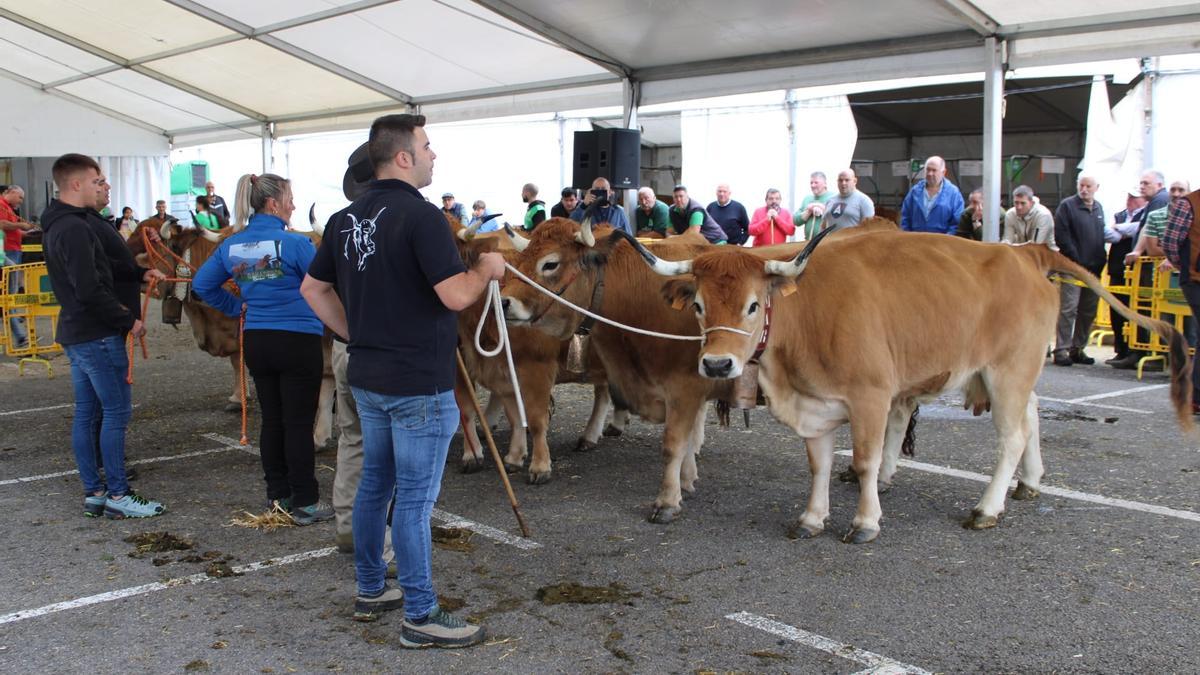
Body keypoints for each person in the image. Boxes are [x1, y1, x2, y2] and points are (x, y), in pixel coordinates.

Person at [301, 113, 503, 647]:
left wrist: (357, 333)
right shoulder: (422, 216)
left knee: (375, 487)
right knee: (412, 501)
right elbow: (456, 296)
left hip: (369, 374)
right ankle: (421, 613)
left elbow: (312, 291)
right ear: (404, 157)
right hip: (417, 381)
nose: (435, 155)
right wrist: (486, 270)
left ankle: (372, 589)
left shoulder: (344, 219)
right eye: (428, 146)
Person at [193, 173, 334, 525]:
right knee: (299, 422)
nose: (294, 205)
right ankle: (305, 501)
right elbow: (324, 285)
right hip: (297, 339)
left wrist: (235, 307)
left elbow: (201, 285)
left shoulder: (232, 245)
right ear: (273, 203)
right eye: (289, 198)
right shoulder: (296, 245)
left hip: (257, 339)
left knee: (272, 420)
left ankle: (278, 496)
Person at [42, 153, 166, 519]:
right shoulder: (75, 227)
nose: (103, 187)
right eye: (97, 182)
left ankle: (95, 492)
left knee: (87, 412)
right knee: (115, 411)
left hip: (78, 332)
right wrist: (128, 320)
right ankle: (117, 493)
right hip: (96, 333)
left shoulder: (63, 223)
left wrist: (137, 274)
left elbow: (100, 266)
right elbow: (89, 288)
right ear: (76, 184)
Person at [1051, 175, 1105, 367]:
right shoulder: (1067, 206)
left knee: (1088, 310)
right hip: (1072, 267)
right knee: (1069, 308)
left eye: (1088, 186)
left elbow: (1100, 236)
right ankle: (1061, 349)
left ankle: (1078, 347)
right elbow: (1062, 236)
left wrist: (1100, 261)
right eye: (1081, 185)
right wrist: (1077, 260)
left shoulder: (1098, 208)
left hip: (1093, 269)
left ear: (1096, 187)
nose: (1084, 189)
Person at [1159, 183, 1200, 412]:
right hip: (1194, 278)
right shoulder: (1188, 204)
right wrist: (1184, 266)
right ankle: (1194, 397)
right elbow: (1170, 242)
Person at [1104, 189, 1147, 365]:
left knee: (1132, 309)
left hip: (1135, 271)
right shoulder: (1120, 214)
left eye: (1134, 197)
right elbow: (1111, 235)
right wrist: (1118, 230)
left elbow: (1136, 230)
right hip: (1116, 267)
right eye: (1129, 196)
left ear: (1143, 200)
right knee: (1116, 310)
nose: (1130, 200)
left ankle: (1132, 350)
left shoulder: (1144, 215)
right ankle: (1120, 349)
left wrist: (1118, 229)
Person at [0, 185, 34, 348]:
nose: (21, 201)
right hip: (7, 251)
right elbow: (2, 224)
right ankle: (20, 336)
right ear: (10, 192)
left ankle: (20, 336)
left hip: (13, 249)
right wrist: (21, 226)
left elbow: (11, 229)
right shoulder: (1, 206)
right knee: (8, 297)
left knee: (8, 298)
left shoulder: (9, 209)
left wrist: (28, 232)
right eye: (20, 197)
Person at [900, 156, 964, 234]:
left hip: (941, 242)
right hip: (917, 241)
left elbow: (957, 223)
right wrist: (909, 237)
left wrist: (946, 241)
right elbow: (905, 216)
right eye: (928, 169)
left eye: (934, 170)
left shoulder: (953, 193)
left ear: (943, 172)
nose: (930, 173)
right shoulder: (915, 191)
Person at [793, 172, 834, 241]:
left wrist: (819, 206)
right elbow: (796, 221)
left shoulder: (834, 197)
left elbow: (837, 218)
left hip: (826, 243)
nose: (813, 185)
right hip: (808, 243)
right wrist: (809, 211)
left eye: (816, 182)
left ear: (825, 184)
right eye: (811, 183)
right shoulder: (807, 199)